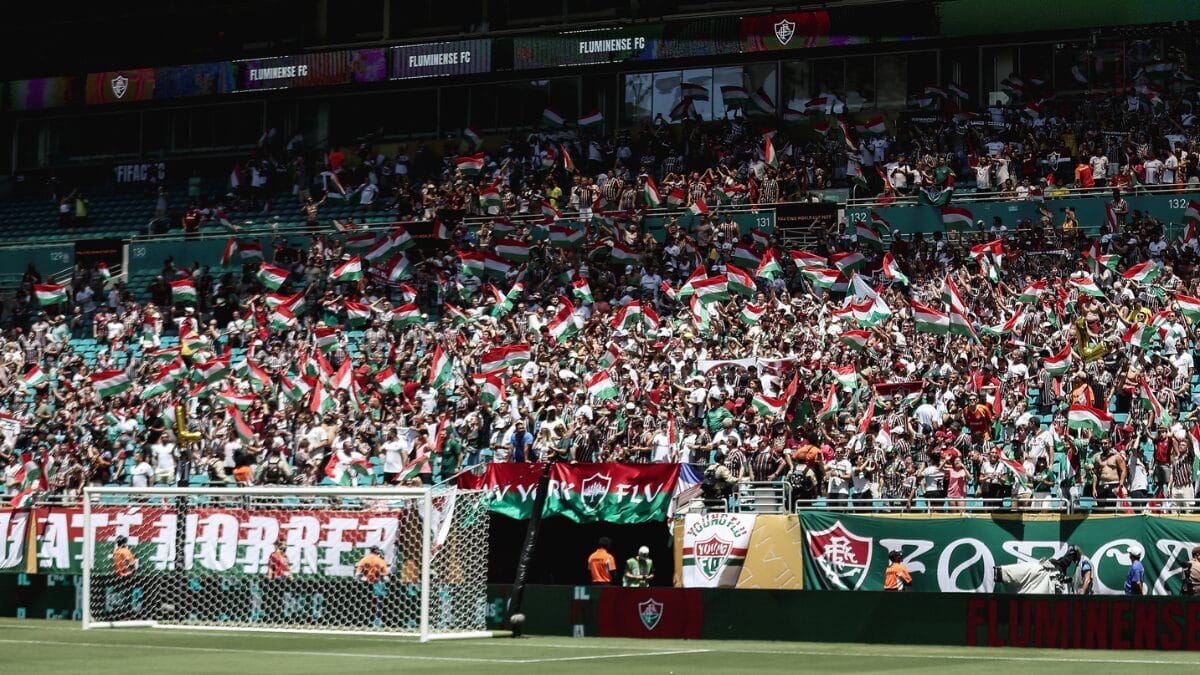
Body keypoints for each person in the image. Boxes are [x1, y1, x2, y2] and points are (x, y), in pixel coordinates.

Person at [355, 545, 390, 626]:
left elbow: (357, 574)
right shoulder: (380, 561)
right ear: (377, 552)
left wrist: (364, 578)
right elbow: (386, 576)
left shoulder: (364, 559)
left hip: (365, 584)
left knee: (364, 603)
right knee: (378, 602)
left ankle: (363, 621)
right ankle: (377, 621)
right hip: (376, 583)